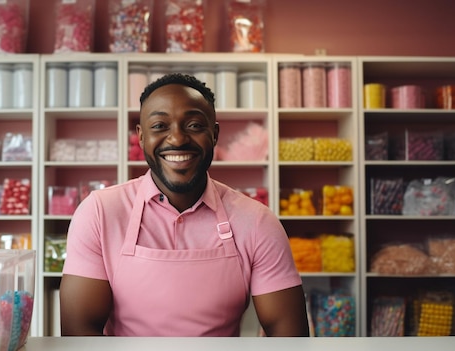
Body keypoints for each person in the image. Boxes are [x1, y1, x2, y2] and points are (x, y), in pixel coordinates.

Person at [60, 73, 310, 337]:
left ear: (214, 134)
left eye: (193, 125)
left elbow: (288, 336)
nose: (177, 139)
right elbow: (80, 332)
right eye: (159, 126)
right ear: (141, 137)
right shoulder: (99, 212)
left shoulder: (257, 221)